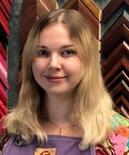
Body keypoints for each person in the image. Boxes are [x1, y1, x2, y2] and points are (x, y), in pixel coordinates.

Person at [0, 9, 129, 155]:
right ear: (30, 61)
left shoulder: (122, 137)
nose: (53, 64)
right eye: (42, 52)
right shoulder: (9, 130)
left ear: (88, 61)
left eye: (67, 52)